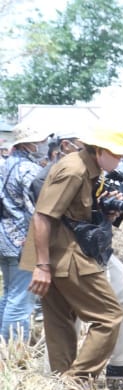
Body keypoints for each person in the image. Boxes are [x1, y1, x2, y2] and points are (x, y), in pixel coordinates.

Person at [21, 126, 123, 380]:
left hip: (61, 253)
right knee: (109, 317)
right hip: (63, 256)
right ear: (101, 150)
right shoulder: (74, 170)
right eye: (118, 154)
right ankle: (76, 382)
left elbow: (74, 215)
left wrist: (106, 212)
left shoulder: (88, 169)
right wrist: (42, 266)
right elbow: (42, 216)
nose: (121, 160)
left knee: (60, 322)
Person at [1, 124, 49, 342]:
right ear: (30, 144)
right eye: (41, 141)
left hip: (5, 235)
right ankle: (13, 351)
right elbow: (39, 206)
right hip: (22, 238)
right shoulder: (29, 169)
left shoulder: (7, 162)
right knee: (21, 299)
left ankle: (4, 345)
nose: (44, 145)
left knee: (11, 293)